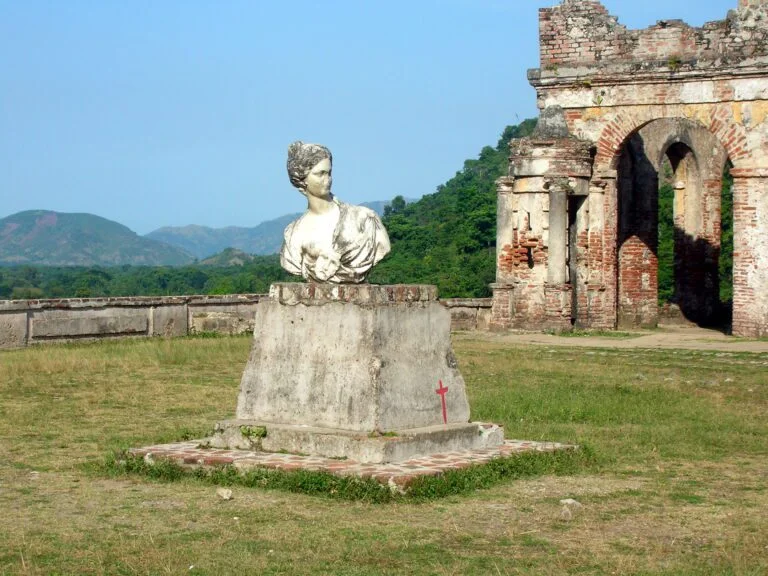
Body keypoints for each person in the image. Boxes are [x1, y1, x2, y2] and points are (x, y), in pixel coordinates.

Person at [280, 141, 390, 283]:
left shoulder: (363, 218)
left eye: (329, 173)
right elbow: (292, 264)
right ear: (302, 180)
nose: (328, 180)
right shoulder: (293, 234)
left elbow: (383, 247)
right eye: (320, 174)